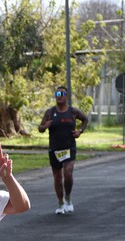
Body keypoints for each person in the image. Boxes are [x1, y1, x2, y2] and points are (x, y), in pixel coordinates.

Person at [38, 85, 88, 215]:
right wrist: (45, 125)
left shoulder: (73, 112)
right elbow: (40, 128)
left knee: (68, 172)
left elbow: (85, 119)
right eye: (57, 94)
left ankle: (68, 198)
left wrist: (80, 131)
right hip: (54, 149)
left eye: (62, 94)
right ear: (55, 96)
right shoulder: (50, 112)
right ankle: (60, 202)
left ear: (67, 96)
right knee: (57, 177)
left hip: (69, 147)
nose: (59, 96)